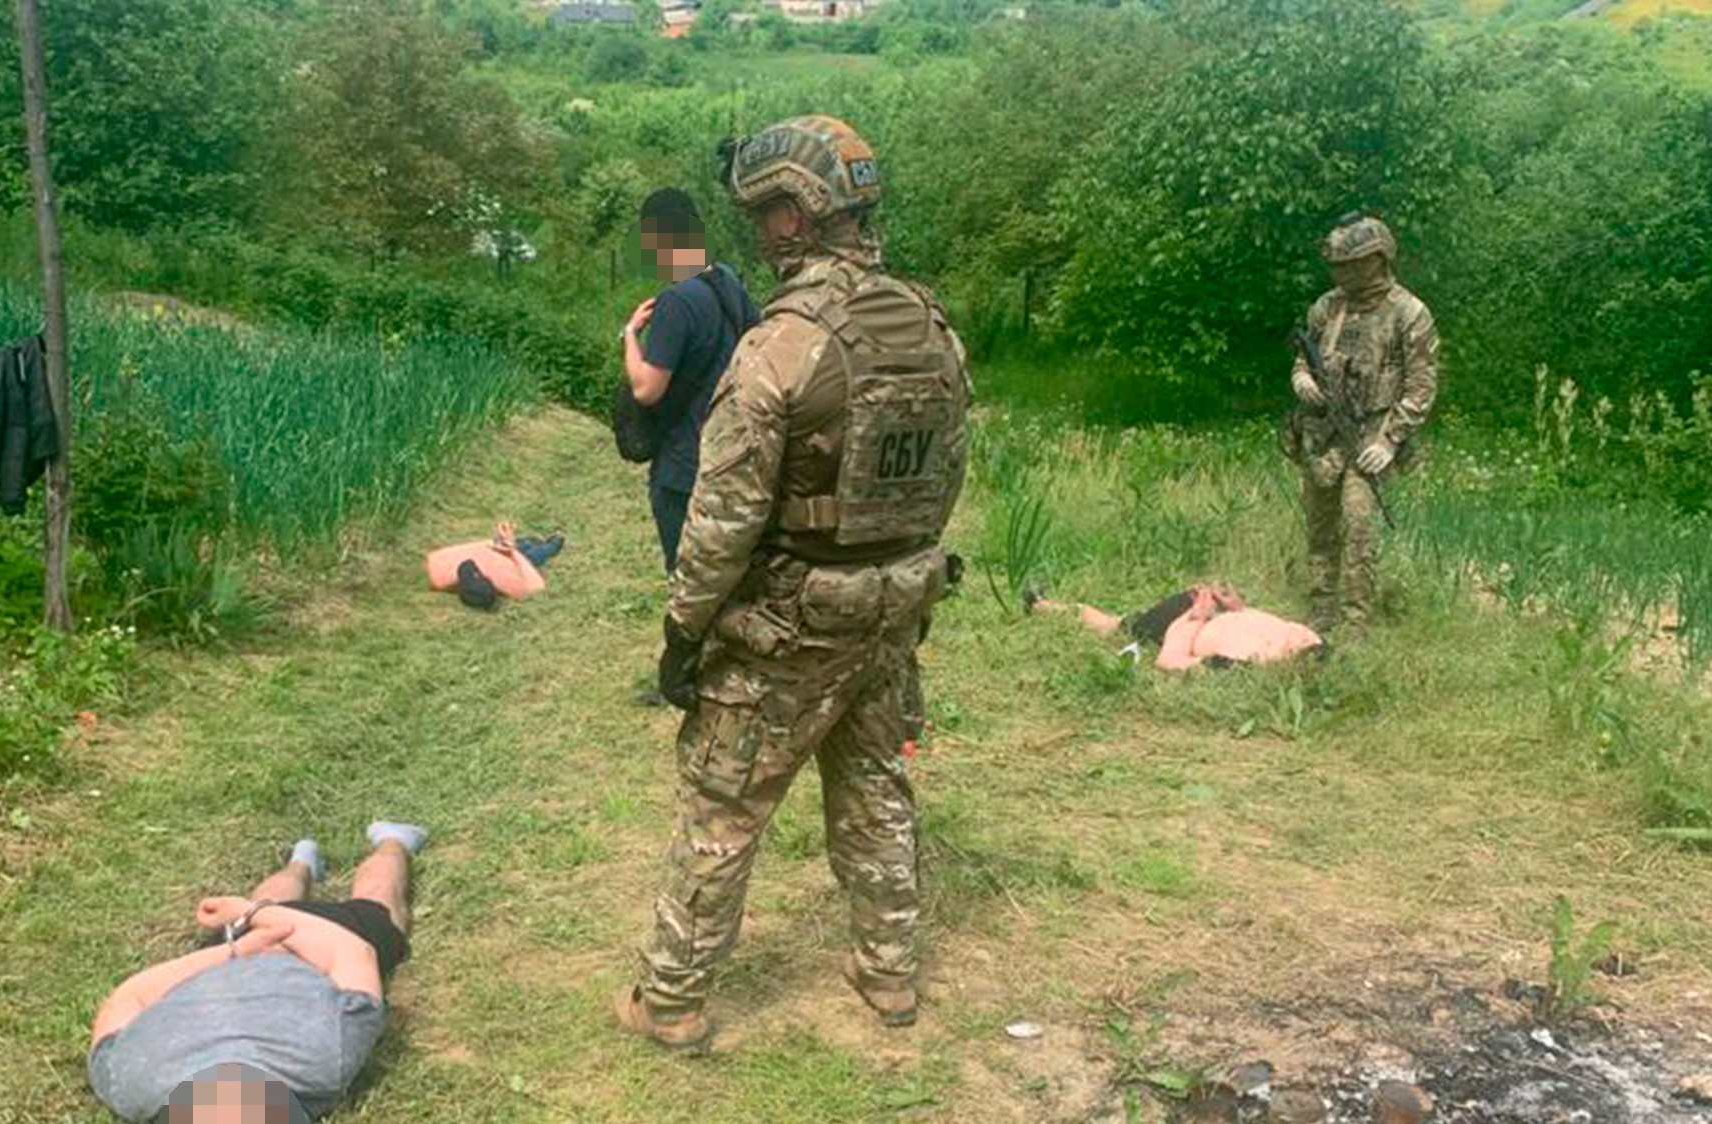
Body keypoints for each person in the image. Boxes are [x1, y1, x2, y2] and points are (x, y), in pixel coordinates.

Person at [616, 115, 970, 1051]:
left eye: (763, 214)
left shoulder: (782, 343)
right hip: (890, 607)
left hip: (789, 623)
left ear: (792, 216)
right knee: (876, 788)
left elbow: (722, 519)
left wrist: (684, 630)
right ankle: (888, 972)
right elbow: (946, 479)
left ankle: (672, 1000)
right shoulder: (931, 328)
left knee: (722, 808)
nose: (760, 232)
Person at [86, 822, 429, 1123]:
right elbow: (131, 996)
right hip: (270, 948)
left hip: (293, 948)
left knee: (373, 902)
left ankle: (378, 843)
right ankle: (317, 860)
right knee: (366, 900)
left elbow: (354, 954)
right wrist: (246, 924)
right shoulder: (132, 1084)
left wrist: (245, 940)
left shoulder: (323, 1062)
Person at [1287, 213, 1439, 632]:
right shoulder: (1327, 308)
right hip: (1323, 434)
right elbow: (1303, 359)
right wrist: (1302, 381)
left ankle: (1356, 622)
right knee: (1320, 524)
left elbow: (1421, 388)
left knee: (1358, 527)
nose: (1343, 273)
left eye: (1352, 264)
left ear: (1378, 259)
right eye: (1338, 266)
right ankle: (1321, 610)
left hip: (1371, 435)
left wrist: (1390, 440)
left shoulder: (1409, 313)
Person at [621, 187, 761, 573]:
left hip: (683, 467)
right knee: (730, 575)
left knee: (687, 577)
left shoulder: (676, 301)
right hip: (731, 457)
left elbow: (646, 390)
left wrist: (630, 335)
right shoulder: (728, 282)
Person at [1027, 584, 1326, 670]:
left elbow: (1169, 659)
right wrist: (1233, 605)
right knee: (1117, 622)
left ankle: (1041, 606)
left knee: (1115, 625)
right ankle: (1043, 605)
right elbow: (1251, 620)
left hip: (1187, 622)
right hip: (1213, 611)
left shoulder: (1245, 656)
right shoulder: (1300, 637)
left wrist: (1196, 615)